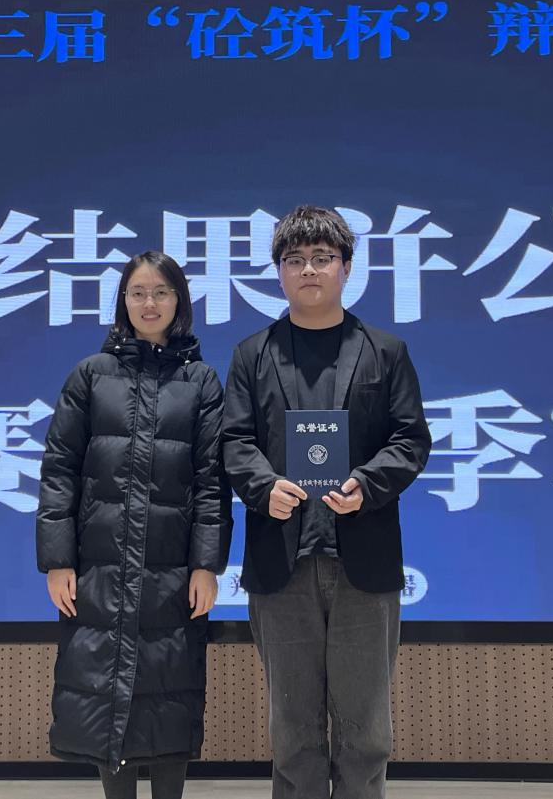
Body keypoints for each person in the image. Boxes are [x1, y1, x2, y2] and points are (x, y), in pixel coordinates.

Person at [221, 206, 432, 799]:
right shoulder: (252, 354)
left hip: (363, 561)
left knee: (366, 729)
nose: (308, 270)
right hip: (281, 561)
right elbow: (234, 441)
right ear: (279, 272)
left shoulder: (385, 351)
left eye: (321, 258)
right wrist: (264, 486)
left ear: (346, 268)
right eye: (295, 260)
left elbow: (410, 439)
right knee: (293, 729)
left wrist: (368, 483)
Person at [36, 250, 231, 799]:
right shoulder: (91, 376)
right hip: (98, 567)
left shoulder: (201, 381)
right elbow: (59, 471)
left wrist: (206, 565)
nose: (150, 303)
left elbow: (212, 482)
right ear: (123, 300)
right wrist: (57, 560)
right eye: (139, 292)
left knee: (169, 697)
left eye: (161, 292)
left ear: (179, 301)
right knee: (105, 698)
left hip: (173, 572)